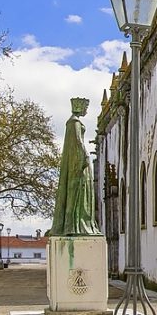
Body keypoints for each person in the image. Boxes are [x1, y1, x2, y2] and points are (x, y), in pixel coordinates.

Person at [50, 98, 101, 237]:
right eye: (86, 107)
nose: (86, 110)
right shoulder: (75, 122)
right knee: (79, 193)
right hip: (78, 163)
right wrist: (85, 156)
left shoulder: (72, 122)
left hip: (76, 162)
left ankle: (76, 225)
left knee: (78, 193)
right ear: (80, 107)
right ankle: (77, 226)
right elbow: (78, 141)